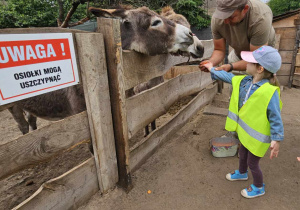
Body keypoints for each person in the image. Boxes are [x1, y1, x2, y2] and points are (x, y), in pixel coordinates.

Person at [201, 46, 284, 198]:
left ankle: (259, 187)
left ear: (259, 69)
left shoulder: (269, 92)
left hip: (258, 139)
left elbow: (275, 117)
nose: (246, 63)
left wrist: (276, 140)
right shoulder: (245, 81)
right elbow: (226, 77)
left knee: (253, 163)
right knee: (243, 153)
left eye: (250, 62)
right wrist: (212, 68)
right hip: (245, 133)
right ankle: (242, 173)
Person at [200, 0, 276, 73]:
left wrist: (230, 67)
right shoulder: (217, 19)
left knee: (259, 80)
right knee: (235, 81)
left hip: (261, 56)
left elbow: (256, 58)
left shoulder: (260, 18)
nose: (226, 21)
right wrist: (211, 62)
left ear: (245, 9)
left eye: (231, 17)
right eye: (223, 16)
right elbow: (219, 50)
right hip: (239, 54)